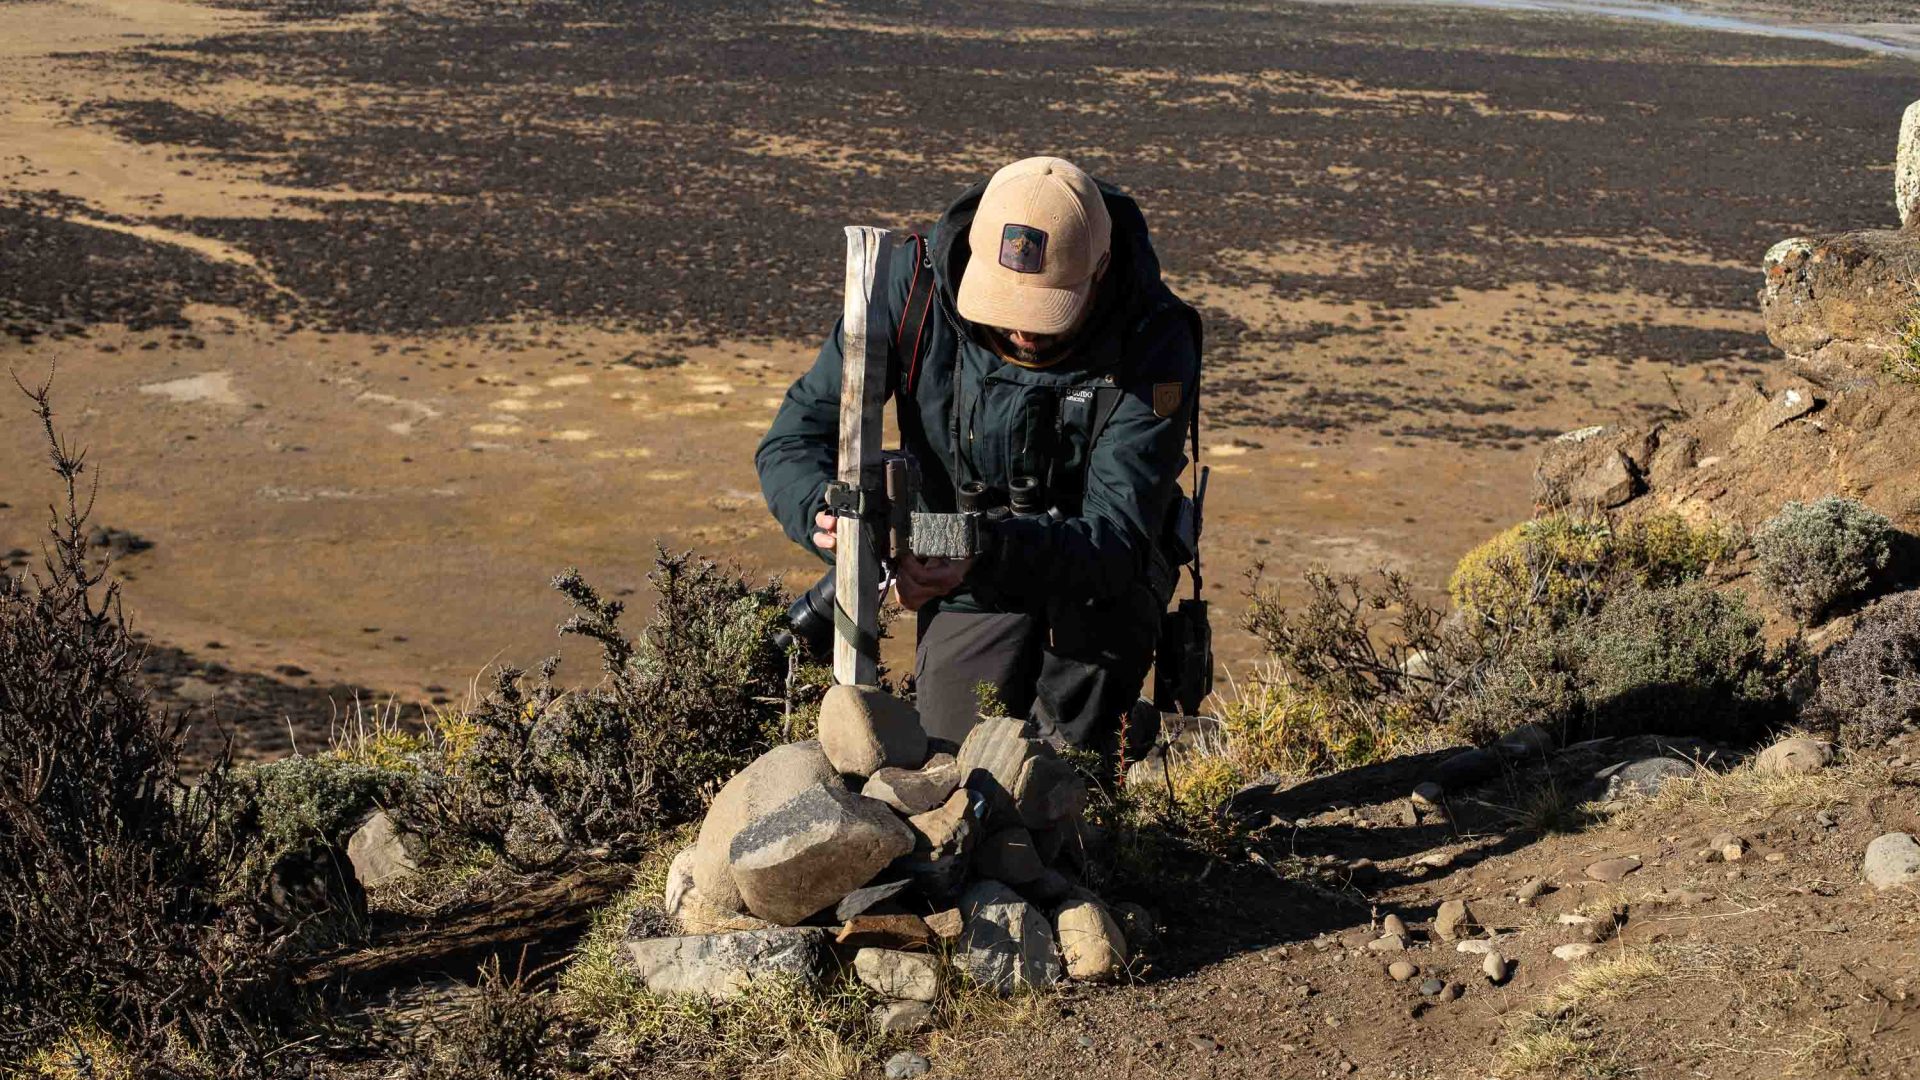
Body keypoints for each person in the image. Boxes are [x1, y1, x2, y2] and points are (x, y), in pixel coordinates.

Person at [755, 156, 1200, 754]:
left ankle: (1122, 744)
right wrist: (823, 515)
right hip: (961, 572)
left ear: (1101, 269)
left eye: (1046, 314)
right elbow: (793, 438)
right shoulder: (910, 288)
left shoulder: (1152, 336)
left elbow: (1117, 536)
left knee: (1069, 766)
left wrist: (978, 549)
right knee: (954, 765)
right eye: (1005, 309)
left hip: (1098, 580)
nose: (1024, 334)